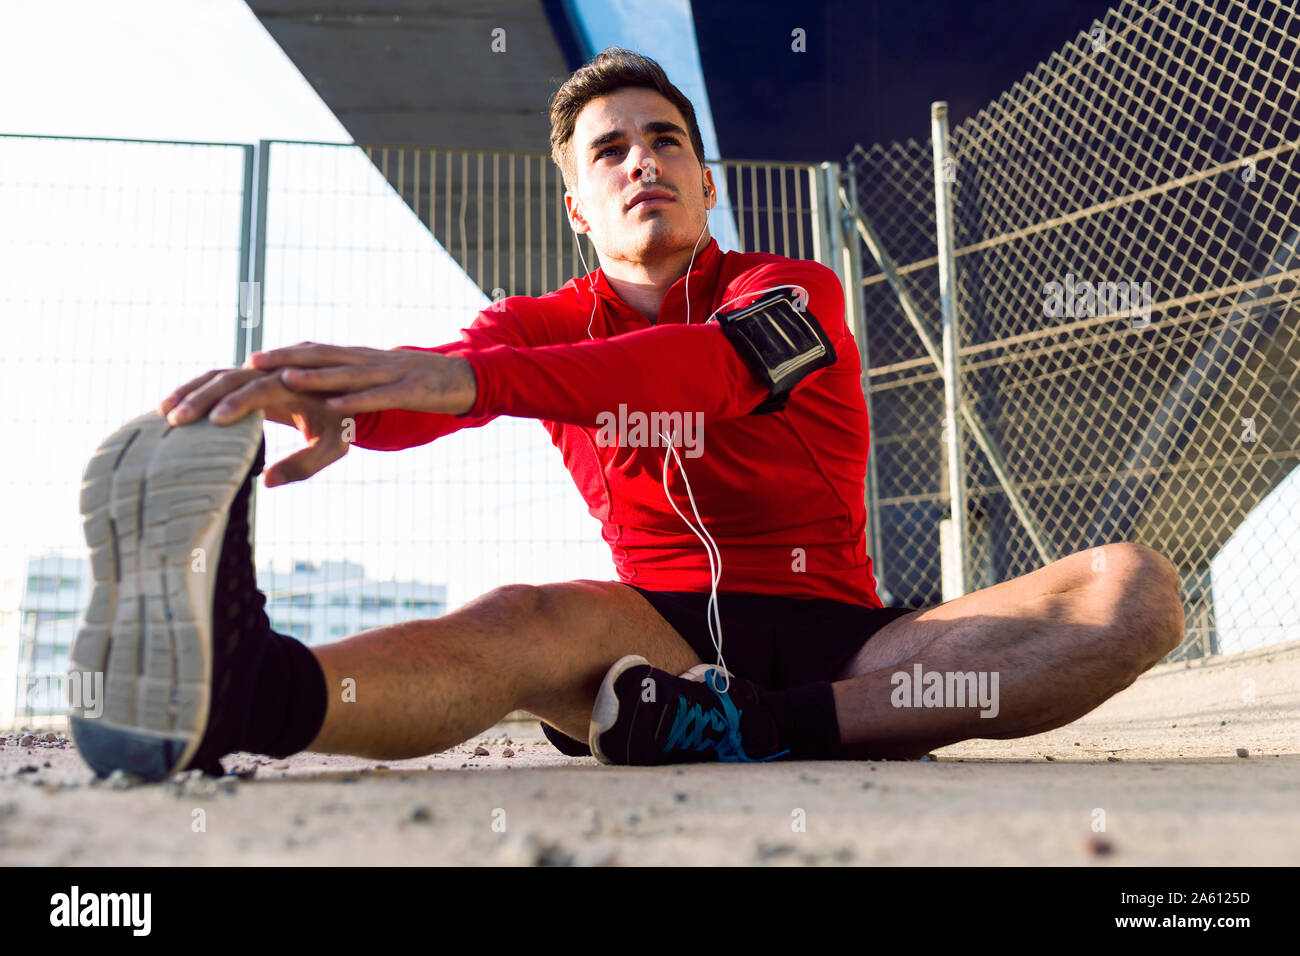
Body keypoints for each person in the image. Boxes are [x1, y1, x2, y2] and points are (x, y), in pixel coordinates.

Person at [68, 48, 1184, 780]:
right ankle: (243, 692)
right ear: (576, 204)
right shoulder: (536, 319)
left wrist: (470, 381)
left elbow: (707, 367)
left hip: (854, 642)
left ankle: (764, 728)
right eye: (610, 149)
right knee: (523, 615)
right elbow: (443, 379)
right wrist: (329, 398)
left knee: (1131, 591)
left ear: (706, 185)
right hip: (647, 648)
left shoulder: (790, 290)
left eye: (665, 142)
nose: (641, 160)